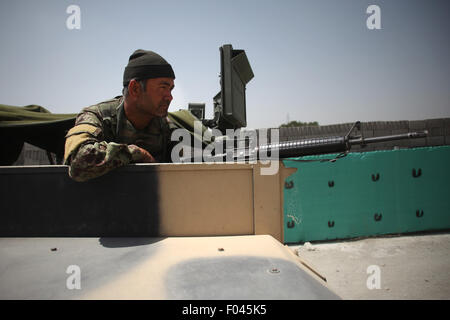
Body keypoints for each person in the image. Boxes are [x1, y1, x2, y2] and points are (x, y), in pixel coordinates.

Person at [64, 49, 177, 182]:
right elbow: (79, 161)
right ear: (135, 88)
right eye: (163, 88)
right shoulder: (97, 116)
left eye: (170, 89)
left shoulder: (166, 126)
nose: (169, 97)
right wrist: (138, 154)